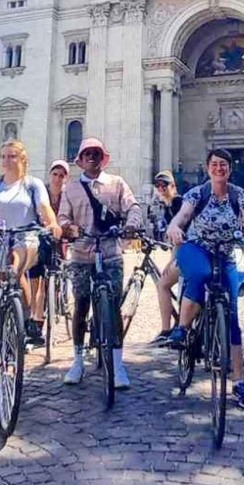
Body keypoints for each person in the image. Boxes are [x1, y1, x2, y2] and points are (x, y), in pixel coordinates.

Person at [162, 149, 244, 409]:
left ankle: (239, 383)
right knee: (199, 273)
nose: (219, 168)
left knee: (233, 317)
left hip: (225, 254)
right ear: (207, 168)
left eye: (223, 164)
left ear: (230, 168)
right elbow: (182, 216)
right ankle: (182, 328)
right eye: (214, 164)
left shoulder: (239, 195)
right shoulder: (197, 193)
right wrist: (174, 227)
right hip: (196, 247)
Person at [0, 140, 58, 403]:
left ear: (22, 159)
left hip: (24, 239)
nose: (6, 160)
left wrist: (52, 224)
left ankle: (23, 314)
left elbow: (44, 208)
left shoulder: (32, 185)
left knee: (15, 262)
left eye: (12, 156)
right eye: (3, 155)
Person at [58, 139, 145, 389]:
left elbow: (133, 206)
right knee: (81, 305)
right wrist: (69, 228)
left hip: (110, 252)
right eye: (87, 154)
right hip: (83, 253)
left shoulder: (117, 183)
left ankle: (117, 366)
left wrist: (132, 224)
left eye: (96, 154)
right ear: (80, 160)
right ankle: (77, 361)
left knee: (114, 307)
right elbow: (63, 216)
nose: (92, 157)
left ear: (103, 158)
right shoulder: (72, 188)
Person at [26, 159, 70, 344]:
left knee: (46, 284)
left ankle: (39, 322)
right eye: (55, 174)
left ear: (66, 178)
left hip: (58, 244)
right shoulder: (40, 192)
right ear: (50, 175)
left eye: (61, 175)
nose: (58, 178)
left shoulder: (68, 196)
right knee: (33, 281)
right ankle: (29, 320)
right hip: (39, 240)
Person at [151, 170, 184, 340]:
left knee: (162, 284)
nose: (161, 188)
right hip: (182, 254)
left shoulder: (178, 203)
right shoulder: (169, 206)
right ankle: (178, 320)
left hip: (185, 255)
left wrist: (172, 261)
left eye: (165, 185)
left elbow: (180, 238)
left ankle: (165, 330)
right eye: (158, 186)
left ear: (173, 186)